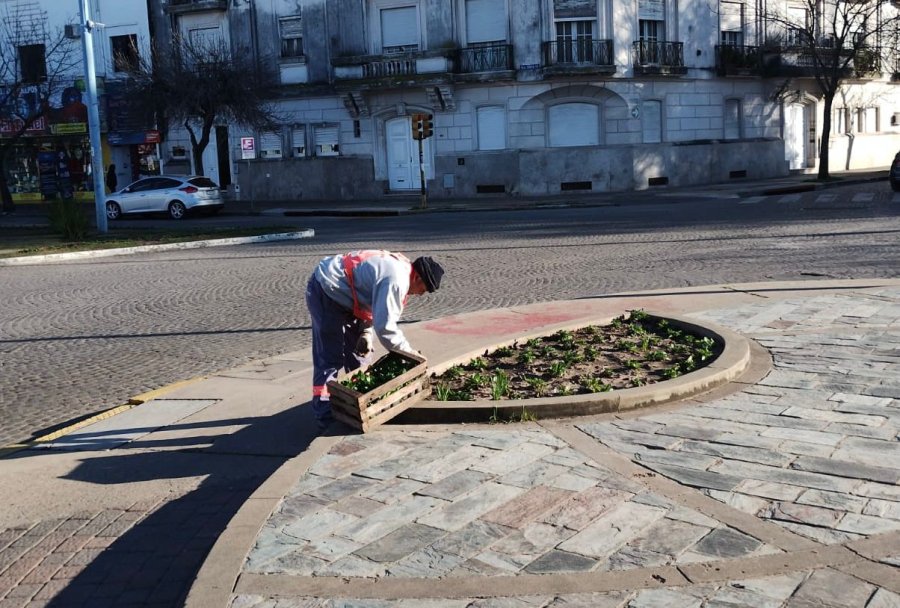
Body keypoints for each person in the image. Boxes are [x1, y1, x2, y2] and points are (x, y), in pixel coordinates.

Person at [305, 250, 445, 430]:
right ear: (418, 278)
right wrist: (409, 355)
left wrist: (365, 333)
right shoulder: (397, 279)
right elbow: (386, 327)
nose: (420, 295)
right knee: (330, 358)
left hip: (347, 297)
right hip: (327, 289)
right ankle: (325, 415)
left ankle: (356, 405)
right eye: (423, 290)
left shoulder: (400, 272)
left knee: (360, 357)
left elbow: (371, 300)